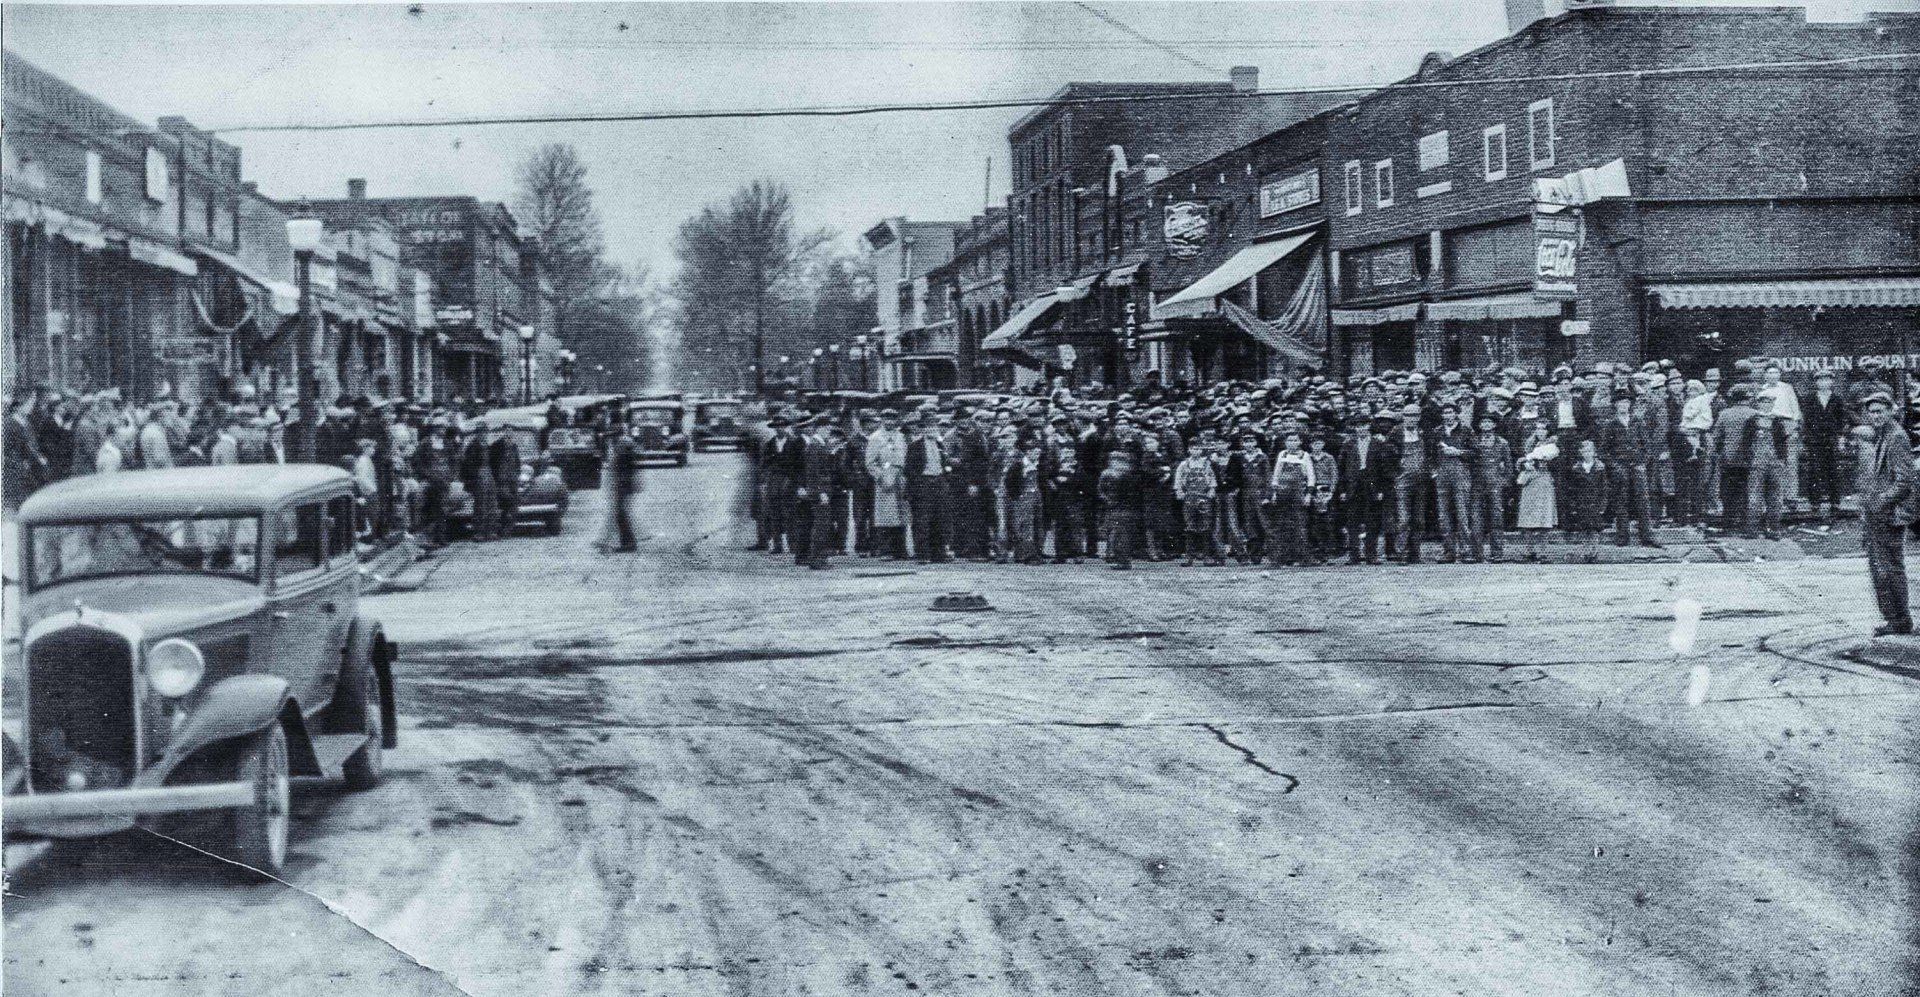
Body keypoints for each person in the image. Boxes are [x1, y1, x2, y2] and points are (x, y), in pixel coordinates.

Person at [1856, 392, 1913, 635]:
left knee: (1887, 568)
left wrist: (1879, 502)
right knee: (1885, 567)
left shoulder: (1896, 437)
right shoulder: (1885, 435)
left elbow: (1904, 482)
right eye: (1872, 412)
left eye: (1880, 411)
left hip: (1887, 514)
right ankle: (1897, 619)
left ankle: (1898, 620)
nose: (1875, 416)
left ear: (1890, 411)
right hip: (1881, 512)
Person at [1598, 393, 1662, 548]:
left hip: (1637, 466)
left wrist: (1643, 463)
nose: (1623, 405)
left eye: (1626, 402)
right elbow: (1603, 451)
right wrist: (1615, 466)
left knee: (1643, 502)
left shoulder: (1637, 422)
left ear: (1630, 405)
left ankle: (1647, 537)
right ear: (1615, 405)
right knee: (1621, 501)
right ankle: (1622, 536)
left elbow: (1647, 445)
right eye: (1620, 403)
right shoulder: (1611, 424)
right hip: (1620, 468)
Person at [1339, 415, 1391, 565]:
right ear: (1355, 428)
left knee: (1372, 521)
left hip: (1372, 485)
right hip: (1353, 486)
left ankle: (1371, 555)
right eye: (1358, 426)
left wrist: (1381, 489)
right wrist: (1342, 490)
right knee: (1352, 521)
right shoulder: (1348, 444)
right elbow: (1341, 469)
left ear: (1369, 426)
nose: (1361, 428)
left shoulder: (1378, 444)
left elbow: (1383, 469)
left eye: (1363, 425)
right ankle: (1353, 555)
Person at [1801, 370, 1847, 526]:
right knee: (1815, 470)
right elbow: (1806, 420)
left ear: (1831, 382)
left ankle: (1835, 503)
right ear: (1816, 382)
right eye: (1820, 380)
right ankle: (1815, 503)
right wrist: (1806, 438)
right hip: (1815, 440)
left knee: (1833, 470)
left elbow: (1842, 419)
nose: (1823, 383)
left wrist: (1841, 437)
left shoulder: (1837, 399)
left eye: (1826, 380)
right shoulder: (1810, 399)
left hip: (1831, 439)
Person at [904, 415, 951, 563]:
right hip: (923, 484)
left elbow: (945, 464)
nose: (932, 430)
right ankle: (923, 554)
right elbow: (908, 469)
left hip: (939, 483)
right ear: (923, 429)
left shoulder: (940, 444)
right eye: (928, 427)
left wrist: (945, 477)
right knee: (922, 520)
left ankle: (938, 553)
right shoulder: (915, 446)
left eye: (934, 427)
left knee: (939, 518)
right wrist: (919, 482)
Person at [1430, 403, 1473, 563]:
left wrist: (1459, 452)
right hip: (1442, 475)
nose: (1447, 415)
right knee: (1444, 515)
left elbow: (1475, 453)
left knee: (1462, 514)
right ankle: (1448, 552)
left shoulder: (1466, 431)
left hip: (1460, 474)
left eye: (1450, 412)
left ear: (1456, 414)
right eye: (1445, 413)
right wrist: (1434, 472)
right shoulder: (1437, 432)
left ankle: (1466, 551)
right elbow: (1431, 454)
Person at [1469, 411, 1514, 562]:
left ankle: (1497, 553)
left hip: (1495, 484)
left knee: (1496, 518)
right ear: (1479, 425)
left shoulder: (1502, 443)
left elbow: (1509, 465)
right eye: (1483, 422)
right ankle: (1477, 554)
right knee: (1476, 518)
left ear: (1494, 425)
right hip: (1477, 483)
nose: (1486, 425)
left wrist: (1505, 482)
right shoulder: (1473, 441)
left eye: (1489, 422)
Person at [1743, 392, 1789, 540]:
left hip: (1775, 464)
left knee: (1775, 498)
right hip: (1756, 464)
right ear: (1758, 403)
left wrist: (1782, 460)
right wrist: (1749, 460)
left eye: (1769, 402)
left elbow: (1782, 443)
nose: (1766, 405)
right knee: (1754, 498)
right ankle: (1752, 530)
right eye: (1763, 402)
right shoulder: (1751, 421)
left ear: (1773, 404)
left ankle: (1774, 529)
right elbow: (1745, 443)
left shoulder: (1777, 422)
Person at [866, 410, 910, 559]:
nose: (890, 422)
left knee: (902, 514)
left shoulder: (901, 437)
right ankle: (885, 550)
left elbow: (905, 457)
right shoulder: (875, 438)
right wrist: (881, 477)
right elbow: (870, 463)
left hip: (900, 477)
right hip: (885, 477)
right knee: (886, 514)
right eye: (887, 419)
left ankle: (901, 549)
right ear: (882, 420)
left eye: (893, 419)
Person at [798, 418, 840, 569]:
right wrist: (821, 491)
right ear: (820, 428)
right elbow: (813, 472)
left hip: (822, 490)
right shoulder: (815, 446)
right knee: (821, 525)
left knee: (823, 524)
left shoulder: (819, 444)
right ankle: (817, 559)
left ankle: (819, 557)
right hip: (820, 491)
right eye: (827, 428)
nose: (829, 432)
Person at [1172, 432, 1220, 566]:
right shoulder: (1184, 464)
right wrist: (1179, 491)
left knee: (1205, 526)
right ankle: (1189, 557)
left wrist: (1212, 489)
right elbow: (1178, 479)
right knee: (1190, 527)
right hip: (1189, 498)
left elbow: (1212, 478)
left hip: (1204, 498)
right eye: (1193, 448)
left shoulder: (1207, 464)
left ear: (1202, 449)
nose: (1196, 451)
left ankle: (1207, 556)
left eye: (1198, 448)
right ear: (1189, 449)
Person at [1004, 431, 1045, 564]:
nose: (1037, 455)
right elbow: (1009, 482)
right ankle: (1027, 555)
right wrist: (1017, 496)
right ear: (1028, 452)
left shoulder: (1038, 465)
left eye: (1038, 452)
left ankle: (1035, 553)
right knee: (1025, 526)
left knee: (1037, 525)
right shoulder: (1018, 465)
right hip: (1023, 498)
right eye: (1035, 452)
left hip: (1036, 498)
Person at [1565, 438, 1609, 563]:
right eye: (1584, 451)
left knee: (1594, 529)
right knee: (1584, 529)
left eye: (1589, 451)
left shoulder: (1600, 468)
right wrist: (1573, 506)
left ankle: (1594, 553)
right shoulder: (1576, 468)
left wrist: (1603, 504)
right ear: (1581, 453)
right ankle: (1585, 552)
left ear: (1594, 452)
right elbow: (1572, 489)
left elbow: (1604, 488)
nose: (1587, 453)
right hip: (1582, 503)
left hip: (1595, 502)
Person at [1515, 439, 1559, 562]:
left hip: (1545, 500)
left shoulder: (1551, 469)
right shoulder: (1528, 467)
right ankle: (1529, 551)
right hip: (1530, 500)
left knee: (1544, 527)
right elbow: (1520, 481)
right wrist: (1527, 468)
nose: (1542, 463)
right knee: (1528, 526)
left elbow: (1555, 478)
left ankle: (1543, 553)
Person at [460, 424, 499, 542]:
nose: (484, 434)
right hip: (479, 476)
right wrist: (474, 477)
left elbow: (493, 462)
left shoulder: (487, 446)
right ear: (477, 433)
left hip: (489, 474)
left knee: (492, 504)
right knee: (480, 505)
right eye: (481, 432)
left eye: (485, 432)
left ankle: (491, 531)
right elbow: (468, 465)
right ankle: (479, 532)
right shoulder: (472, 447)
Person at [606, 413, 639, 552]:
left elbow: (623, 464)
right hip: (624, 482)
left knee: (620, 513)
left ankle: (628, 543)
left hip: (623, 482)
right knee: (621, 513)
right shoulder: (625, 442)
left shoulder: (622, 444)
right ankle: (627, 542)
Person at [490, 424, 523, 540]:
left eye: (511, 431)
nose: (509, 433)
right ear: (503, 432)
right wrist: (495, 477)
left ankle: (508, 529)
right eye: (507, 431)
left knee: (513, 505)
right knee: (505, 503)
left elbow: (517, 462)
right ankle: (501, 528)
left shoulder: (514, 446)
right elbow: (492, 463)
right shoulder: (496, 445)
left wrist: (517, 473)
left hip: (513, 480)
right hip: (502, 480)